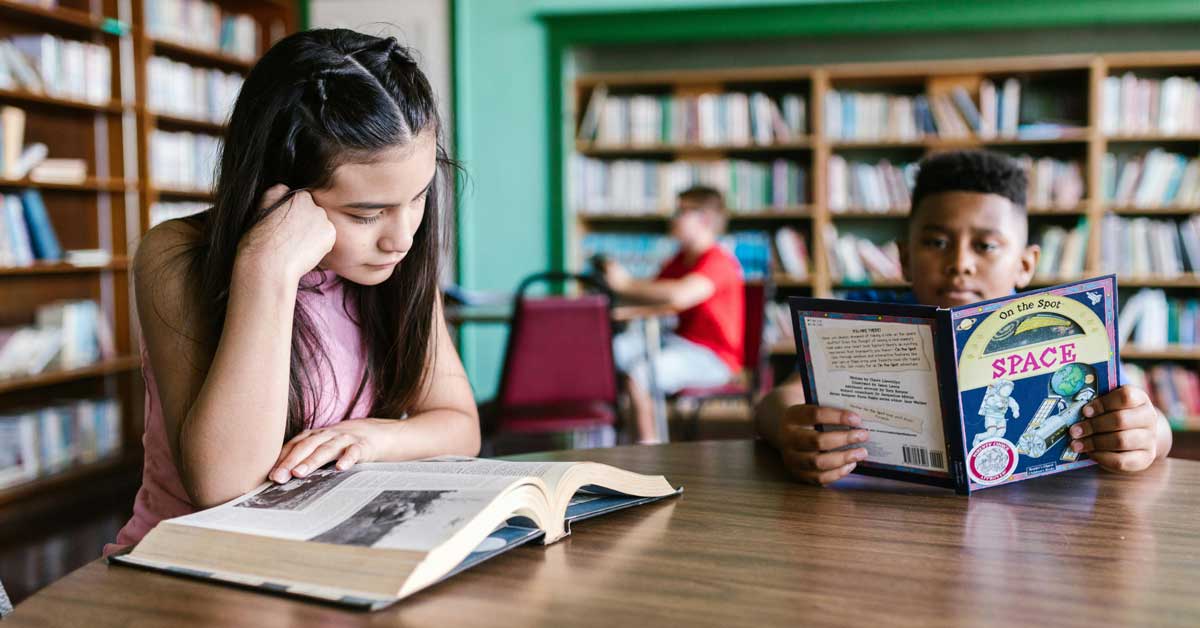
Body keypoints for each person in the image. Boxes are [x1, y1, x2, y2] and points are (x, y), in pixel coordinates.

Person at [108, 29, 479, 551]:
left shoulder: (392, 260)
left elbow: (460, 425)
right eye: (366, 213)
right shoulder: (176, 256)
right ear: (279, 190)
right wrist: (267, 266)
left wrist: (372, 438)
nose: (402, 236)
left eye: (417, 197)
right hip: (193, 564)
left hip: (327, 556)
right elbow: (223, 486)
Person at [755, 150, 1171, 485]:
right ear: (902, 257)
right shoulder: (861, 316)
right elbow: (778, 400)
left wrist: (1148, 433)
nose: (959, 264)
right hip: (886, 512)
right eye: (937, 242)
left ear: (1025, 265)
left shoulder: (1057, 325)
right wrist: (790, 429)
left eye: (986, 246)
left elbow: (1148, 421)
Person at [601, 185, 745, 443]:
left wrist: (623, 284)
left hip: (713, 356)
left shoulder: (719, 262)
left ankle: (648, 451)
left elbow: (678, 295)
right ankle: (607, 438)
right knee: (609, 351)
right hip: (678, 344)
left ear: (704, 219)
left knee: (640, 374)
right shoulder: (680, 260)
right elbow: (653, 295)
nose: (673, 219)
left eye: (681, 212)